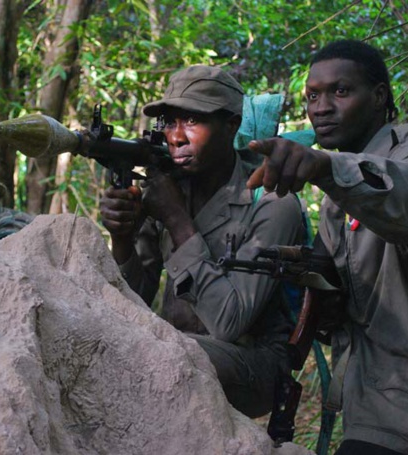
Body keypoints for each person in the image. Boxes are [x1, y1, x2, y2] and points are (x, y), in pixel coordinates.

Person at [246, 40, 408, 454]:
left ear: (380, 97)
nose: (321, 107)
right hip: (373, 406)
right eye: (313, 95)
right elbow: (344, 307)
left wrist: (325, 167)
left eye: (340, 91)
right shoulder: (338, 195)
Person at [100, 65, 306, 418]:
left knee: (163, 354)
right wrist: (122, 239)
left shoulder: (271, 201)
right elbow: (133, 299)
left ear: (231, 125)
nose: (176, 136)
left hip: (254, 363)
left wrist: (177, 220)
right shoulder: (167, 188)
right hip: (174, 348)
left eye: (192, 121)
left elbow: (230, 322)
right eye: (168, 122)